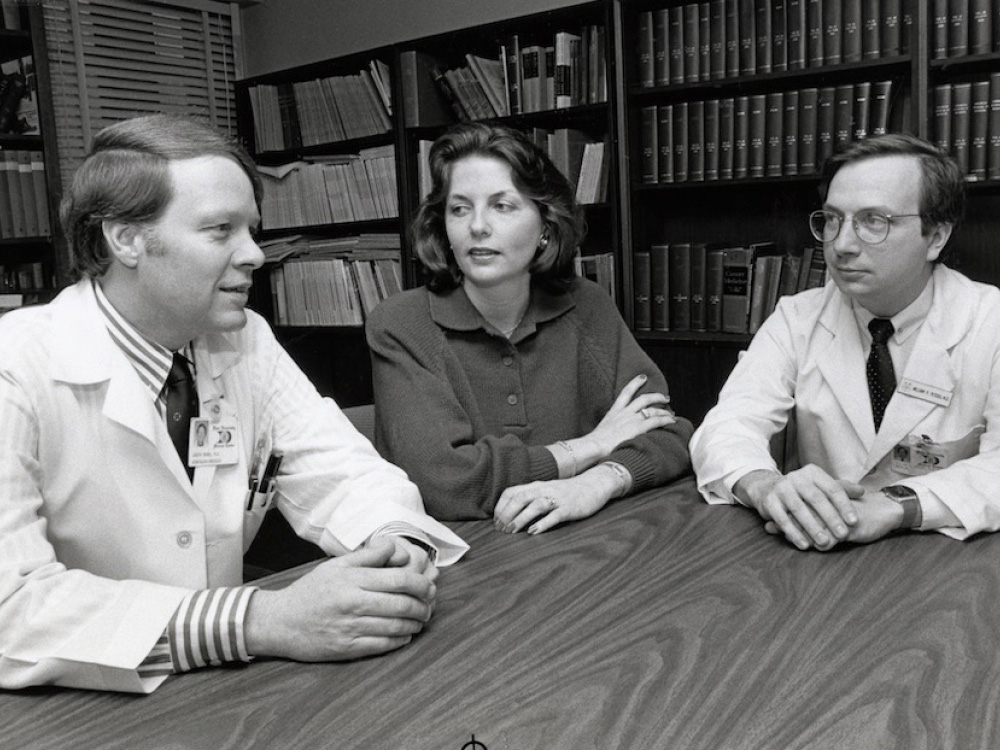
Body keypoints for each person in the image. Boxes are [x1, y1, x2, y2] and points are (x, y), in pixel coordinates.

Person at [0, 114, 468, 694]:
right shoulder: (15, 367)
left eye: (252, 229)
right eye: (221, 230)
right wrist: (257, 620)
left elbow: (345, 472)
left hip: (218, 695)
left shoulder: (245, 340)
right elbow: (12, 607)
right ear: (124, 239)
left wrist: (396, 545)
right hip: (71, 711)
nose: (256, 255)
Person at [366, 122, 693, 534]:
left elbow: (667, 430)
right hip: (460, 565)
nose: (477, 226)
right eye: (459, 208)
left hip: (581, 541)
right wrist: (591, 446)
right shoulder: (401, 323)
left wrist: (596, 482)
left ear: (546, 225)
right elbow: (444, 483)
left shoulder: (586, 305)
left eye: (502, 206)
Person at [690, 133, 1000, 550]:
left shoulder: (989, 321)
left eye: (874, 221)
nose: (842, 244)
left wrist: (896, 506)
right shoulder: (797, 317)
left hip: (945, 561)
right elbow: (728, 424)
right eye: (833, 219)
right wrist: (764, 486)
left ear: (937, 237)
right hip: (818, 554)